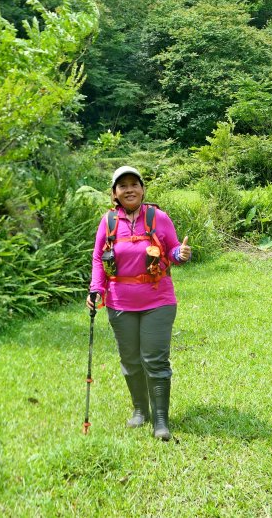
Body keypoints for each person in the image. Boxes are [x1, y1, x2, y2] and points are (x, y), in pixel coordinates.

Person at [87, 165, 192, 441]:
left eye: (135, 184)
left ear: (143, 189)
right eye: (123, 186)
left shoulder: (158, 217)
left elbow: (172, 249)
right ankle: (139, 411)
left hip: (158, 299)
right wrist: (96, 288)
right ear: (115, 193)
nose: (129, 189)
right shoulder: (108, 222)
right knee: (131, 360)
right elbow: (99, 258)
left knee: (155, 360)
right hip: (120, 302)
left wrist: (180, 253)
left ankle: (160, 420)